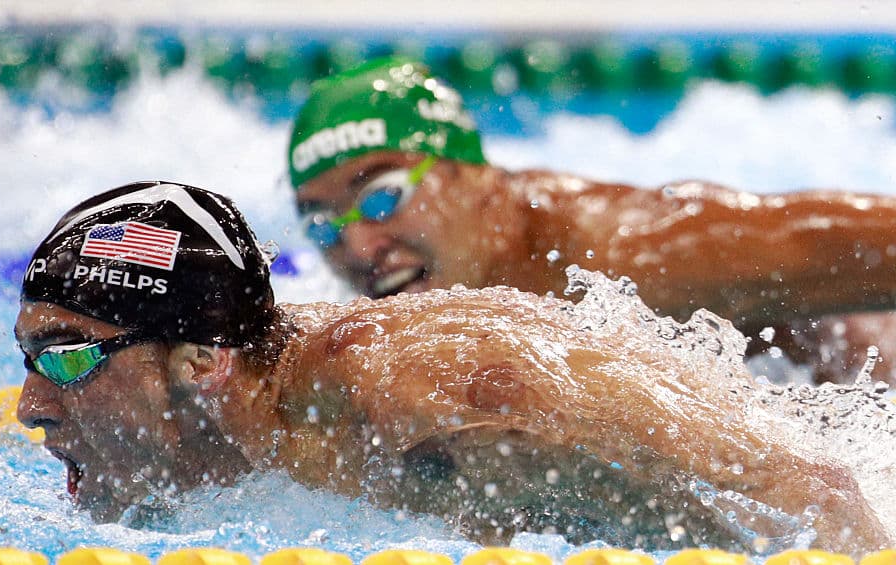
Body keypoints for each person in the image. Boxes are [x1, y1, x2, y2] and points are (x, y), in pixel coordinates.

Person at [15, 180, 891, 554]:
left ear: (202, 358)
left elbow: (804, 496)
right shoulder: (260, 414)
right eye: (30, 361)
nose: (31, 407)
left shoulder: (418, 394)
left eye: (69, 358)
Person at [287, 57, 896, 383]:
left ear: (473, 176)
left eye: (382, 197)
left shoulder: (619, 250)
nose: (358, 245)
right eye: (322, 224)